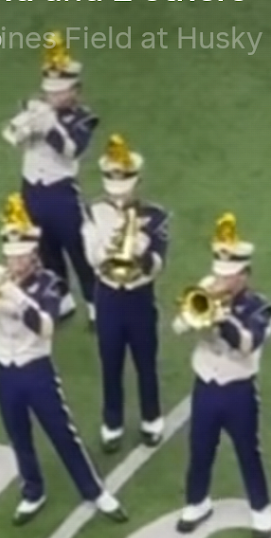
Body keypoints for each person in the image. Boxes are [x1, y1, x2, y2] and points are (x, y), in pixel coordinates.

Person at [0, 194, 127, 526]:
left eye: (20, 257)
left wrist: (16, 298)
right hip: (4, 371)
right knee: (18, 435)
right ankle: (32, 491)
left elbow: (46, 328)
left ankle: (95, 491)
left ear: (33, 255)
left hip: (36, 369)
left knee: (62, 432)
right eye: (10, 257)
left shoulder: (48, 283)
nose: (14, 263)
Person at [172, 213, 271, 538]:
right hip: (205, 385)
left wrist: (222, 319)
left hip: (238, 389)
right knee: (200, 447)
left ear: (244, 275)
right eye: (219, 274)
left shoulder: (259, 306)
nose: (221, 281)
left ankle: (261, 508)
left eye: (228, 276)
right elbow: (177, 327)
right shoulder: (206, 290)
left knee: (247, 450)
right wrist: (199, 310)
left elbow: (247, 345)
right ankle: (196, 502)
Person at [2, 31, 98, 326]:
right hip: (32, 189)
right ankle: (62, 301)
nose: (53, 96)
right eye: (50, 91)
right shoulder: (34, 107)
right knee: (44, 247)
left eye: (60, 91)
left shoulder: (83, 117)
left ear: (75, 91)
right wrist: (26, 125)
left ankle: (95, 305)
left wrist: (50, 125)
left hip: (61, 192)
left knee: (79, 249)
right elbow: (11, 135)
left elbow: (71, 149)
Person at [83, 134, 168, 452]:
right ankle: (112, 423)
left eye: (125, 185)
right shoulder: (93, 211)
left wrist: (139, 251)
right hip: (108, 296)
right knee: (110, 362)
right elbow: (90, 256)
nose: (118, 194)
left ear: (137, 181)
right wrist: (110, 250)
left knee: (146, 361)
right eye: (113, 186)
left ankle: (151, 418)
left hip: (139, 297)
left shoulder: (155, 215)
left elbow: (159, 263)